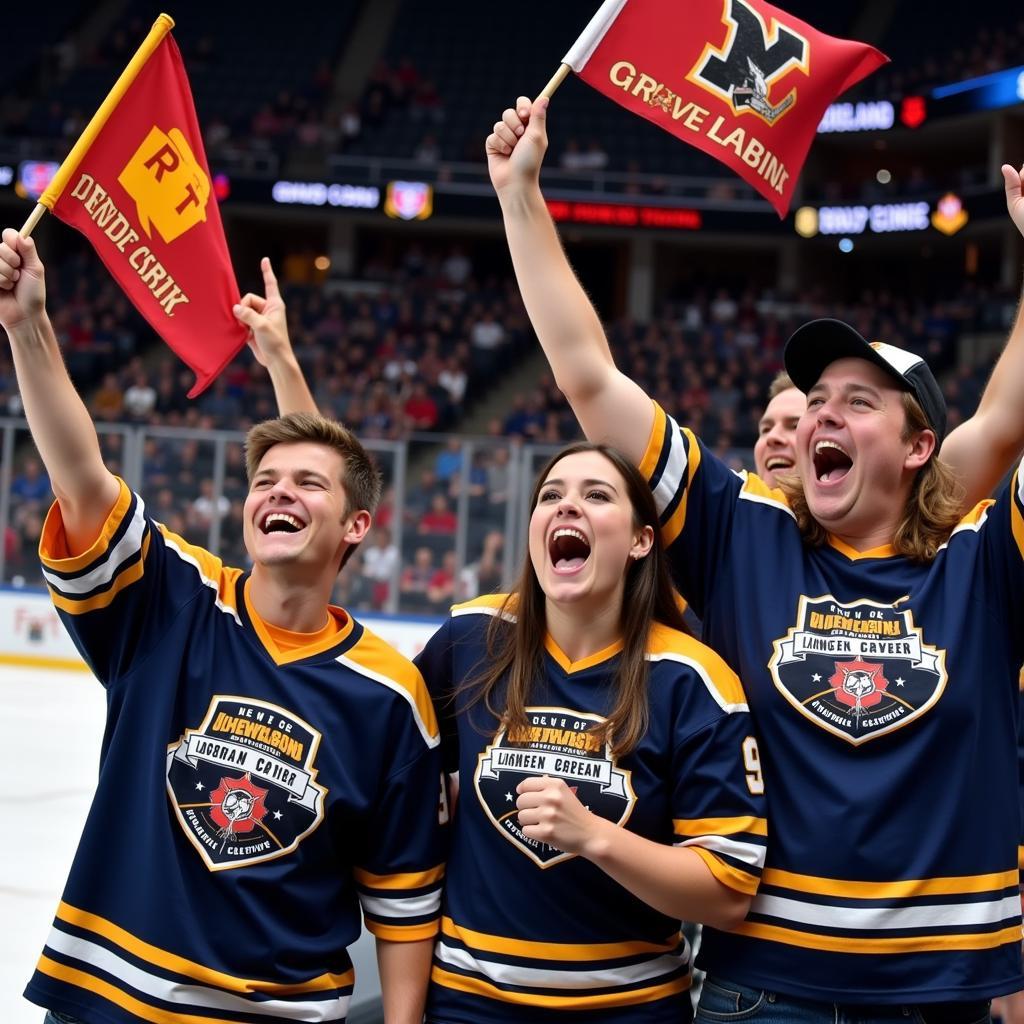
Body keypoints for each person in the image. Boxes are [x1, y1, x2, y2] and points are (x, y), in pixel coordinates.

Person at [485, 96, 1024, 1018]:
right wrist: (519, 194)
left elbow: (1008, 419)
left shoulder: (981, 558)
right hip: (765, 991)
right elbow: (588, 375)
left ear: (920, 446)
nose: (821, 414)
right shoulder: (748, 536)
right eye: (816, 397)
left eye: (859, 402)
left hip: (947, 991)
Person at [0, 228, 445, 1024]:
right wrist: (27, 326)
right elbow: (81, 478)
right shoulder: (175, 601)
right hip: (107, 1002)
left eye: (305, 485)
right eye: (263, 480)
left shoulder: (388, 692)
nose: (278, 491)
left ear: (359, 528)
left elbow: (404, 904)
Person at [416, 441, 767, 1022]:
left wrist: (593, 836)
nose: (566, 507)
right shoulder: (470, 637)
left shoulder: (693, 679)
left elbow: (728, 892)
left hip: (631, 1008)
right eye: (550, 495)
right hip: (467, 1003)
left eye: (596, 495)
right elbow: (403, 772)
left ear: (640, 541)